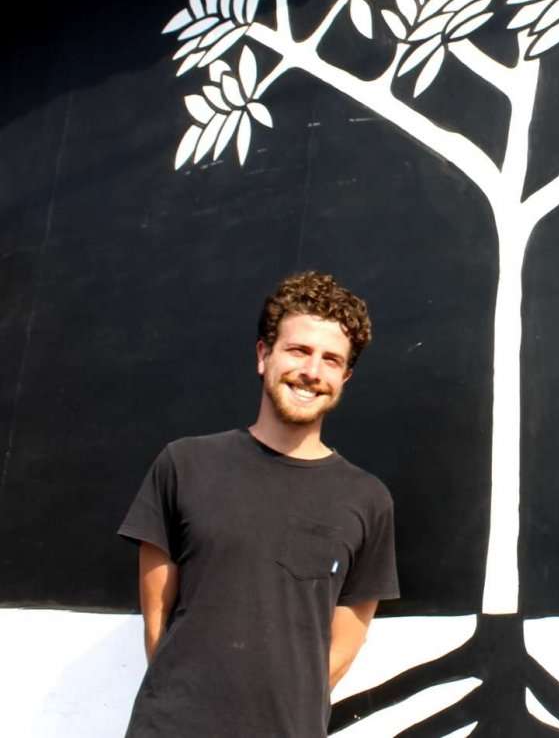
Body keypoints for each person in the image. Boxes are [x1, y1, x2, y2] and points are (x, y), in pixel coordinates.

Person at [119, 271, 401, 738]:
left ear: (345, 377)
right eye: (298, 350)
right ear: (263, 355)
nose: (312, 371)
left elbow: (346, 637)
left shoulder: (368, 500)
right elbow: (157, 624)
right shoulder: (185, 464)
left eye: (331, 359)